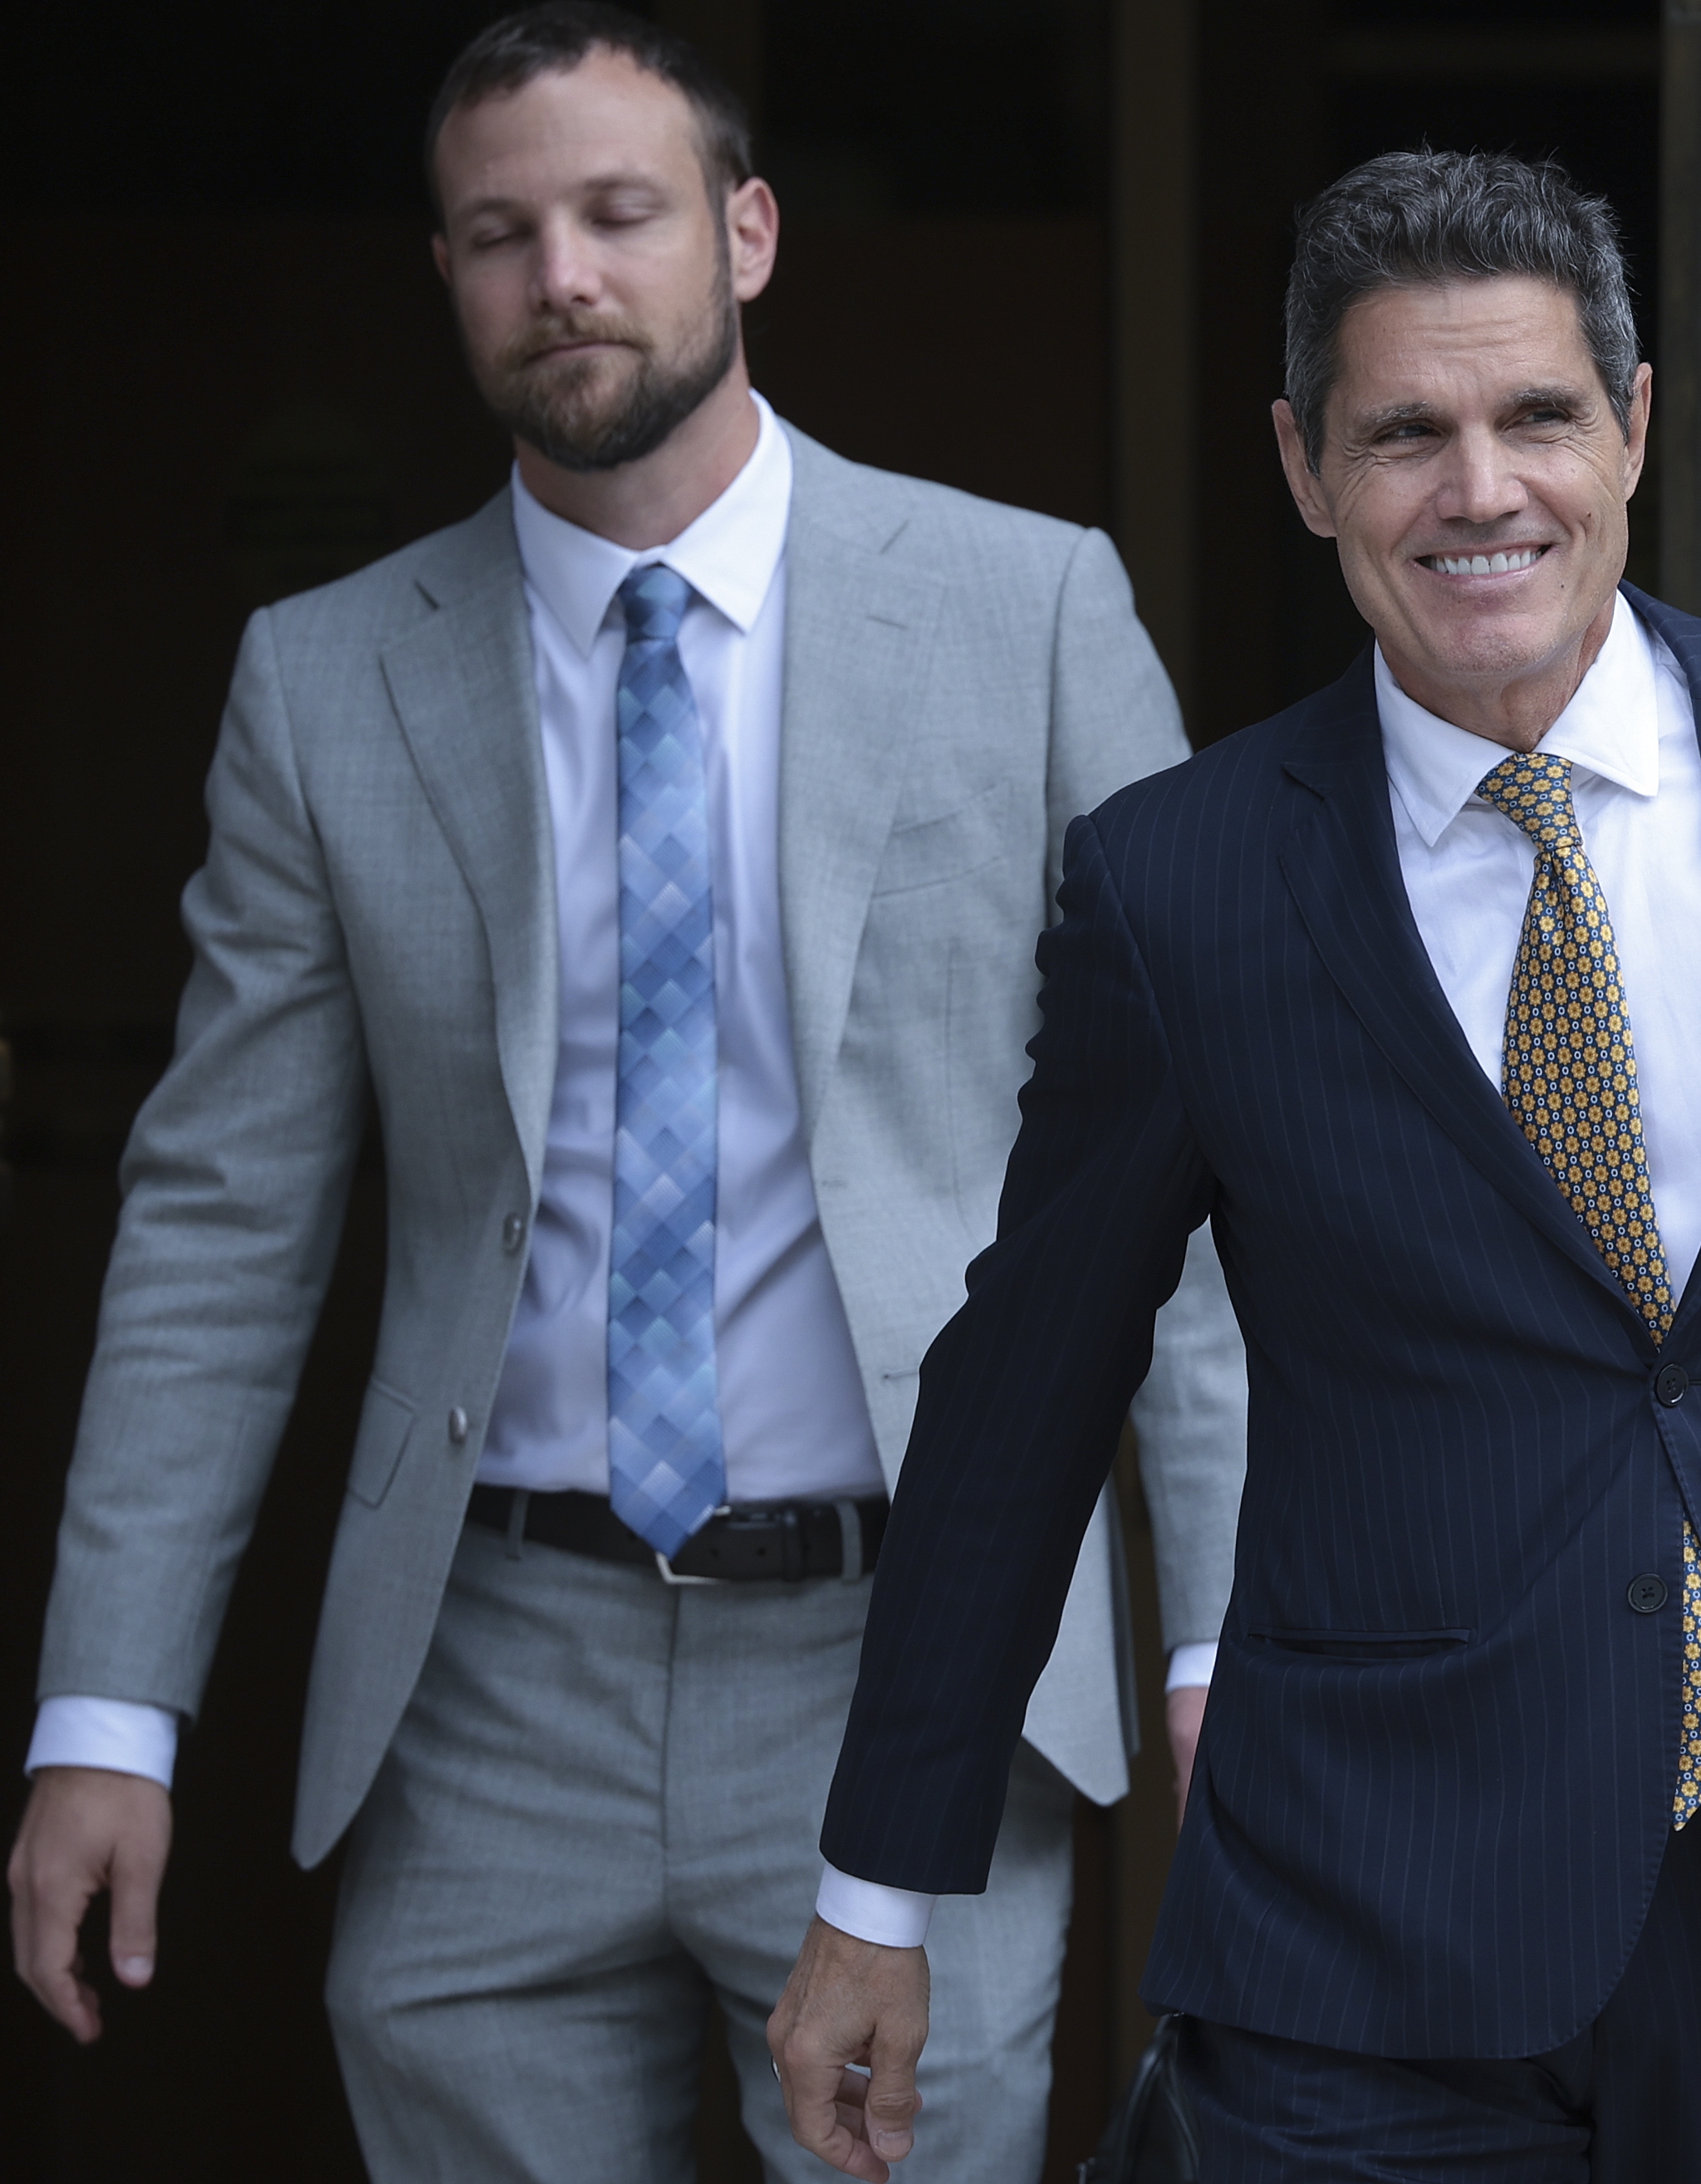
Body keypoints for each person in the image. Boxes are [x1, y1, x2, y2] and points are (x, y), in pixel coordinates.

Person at [772, 150, 1701, 2181]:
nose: (1480, 490)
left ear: (1631, 422)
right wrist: (876, 1895)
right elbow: (1021, 1400)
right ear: (1301, 465)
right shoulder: (1181, 886)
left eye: (1536, 414)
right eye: (1404, 435)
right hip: (1365, 1931)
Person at [3, 7, 1245, 2178]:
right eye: (499, 233)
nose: (561, 272)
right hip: (487, 1676)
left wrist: (1230, 1625)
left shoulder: (1027, 607)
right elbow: (218, 1221)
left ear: (746, 233)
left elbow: (1198, 1162)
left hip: (916, 1651)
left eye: (618, 213)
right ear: (448, 280)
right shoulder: (324, 678)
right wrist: (109, 1709)